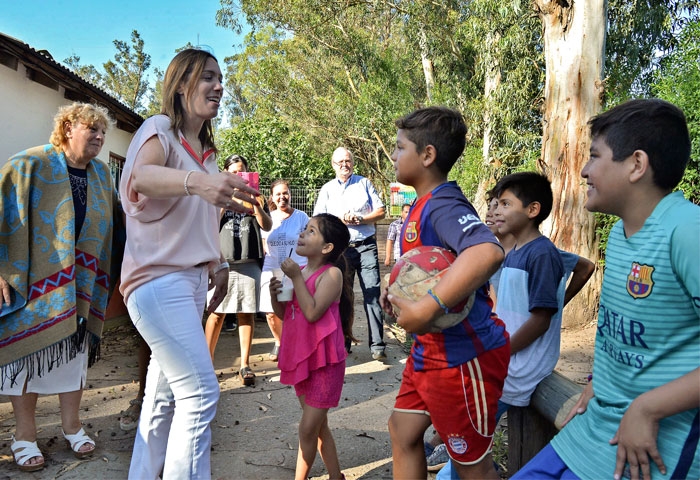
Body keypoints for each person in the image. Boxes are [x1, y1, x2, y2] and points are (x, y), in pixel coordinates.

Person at [513, 99, 700, 480]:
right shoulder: (618, 234)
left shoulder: (687, 233)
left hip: (653, 448)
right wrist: (600, 379)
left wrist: (648, 408)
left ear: (636, 165)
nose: (583, 170)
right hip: (595, 425)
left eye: (595, 156)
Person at [119, 48, 258, 479]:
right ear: (181, 85)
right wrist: (198, 182)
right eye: (207, 78)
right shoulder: (159, 129)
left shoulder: (208, 151)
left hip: (192, 282)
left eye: (220, 78)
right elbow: (140, 178)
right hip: (159, 284)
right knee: (200, 394)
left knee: (162, 398)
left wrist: (216, 261)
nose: (219, 86)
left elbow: (195, 220)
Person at [430, 184, 595, 478]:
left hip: (516, 368)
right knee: (465, 431)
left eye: (504, 204)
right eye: (495, 204)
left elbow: (541, 319)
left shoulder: (542, 253)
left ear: (532, 210)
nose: (494, 210)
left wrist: (500, 350)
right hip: (505, 359)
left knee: (469, 439)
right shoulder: (516, 251)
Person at [381, 106, 510, 479]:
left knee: (472, 467)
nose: (393, 154)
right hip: (431, 351)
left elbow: (487, 251)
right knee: (402, 431)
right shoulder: (420, 205)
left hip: (463, 358)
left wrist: (427, 306)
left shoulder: (443, 204)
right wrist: (395, 294)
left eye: (399, 146)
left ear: (427, 155)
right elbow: (422, 269)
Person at [0, 102, 118, 471]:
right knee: (28, 357)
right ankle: (23, 436)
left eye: (103, 132)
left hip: (82, 284)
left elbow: (114, 226)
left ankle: (72, 426)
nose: (99, 137)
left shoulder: (101, 174)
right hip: (33, 280)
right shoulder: (29, 163)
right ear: (68, 128)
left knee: (74, 358)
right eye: (91, 129)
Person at [269, 213, 355, 480]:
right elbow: (287, 314)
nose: (302, 234)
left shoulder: (331, 274)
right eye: (304, 229)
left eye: (311, 231)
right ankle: (336, 476)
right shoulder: (301, 272)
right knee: (318, 428)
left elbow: (312, 312)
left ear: (327, 247)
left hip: (325, 362)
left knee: (307, 429)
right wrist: (275, 297)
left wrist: (294, 277)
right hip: (303, 359)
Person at [204, 154, 271, 386]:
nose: (237, 175)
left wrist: (255, 206)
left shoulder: (256, 196)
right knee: (216, 313)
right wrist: (227, 198)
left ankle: (244, 364)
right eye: (233, 172)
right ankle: (206, 365)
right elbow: (209, 223)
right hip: (223, 263)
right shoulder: (217, 196)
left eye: (241, 171)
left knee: (246, 313)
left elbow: (267, 226)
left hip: (249, 262)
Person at [314, 147, 387, 359]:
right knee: (343, 298)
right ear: (333, 165)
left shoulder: (364, 183)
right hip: (341, 251)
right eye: (340, 162)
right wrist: (339, 220)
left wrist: (361, 219)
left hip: (366, 246)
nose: (344, 165)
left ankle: (378, 346)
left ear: (352, 163)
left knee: (372, 294)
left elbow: (381, 211)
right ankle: (343, 344)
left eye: (348, 161)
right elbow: (319, 219)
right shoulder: (327, 189)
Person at [259, 179, 309, 367]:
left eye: (285, 193)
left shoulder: (302, 217)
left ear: (290, 194)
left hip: (297, 269)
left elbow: (307, 242)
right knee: (271, 312)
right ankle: (280, 342)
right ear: (272, 197)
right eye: (278, 194)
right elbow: (265, 244)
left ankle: (296, 344)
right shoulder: (267, 218)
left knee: (295, 309)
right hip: (272, 268)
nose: (282, 197)